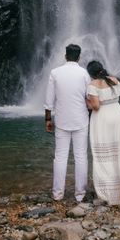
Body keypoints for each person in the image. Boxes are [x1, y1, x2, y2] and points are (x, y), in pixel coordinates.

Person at [85, 60, 120, 205]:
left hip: (102, 117)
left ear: (91, 74)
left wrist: (85, 101)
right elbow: (117, 97)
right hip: (116, 114)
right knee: (117, 150)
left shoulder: (92, 85)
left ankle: (107, 189)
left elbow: (95, 106)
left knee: (102, 152)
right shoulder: (114, 80)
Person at [44, 43, 91, 202]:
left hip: (62, 120)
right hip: (81, 120)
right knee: (81, 157)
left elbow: (49, 100)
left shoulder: (55, 72)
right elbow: (88, 98)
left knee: (60, 157)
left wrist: (48, 120)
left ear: (65, 56)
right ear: (79, 57)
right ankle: (80, 195)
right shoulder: (84, 74)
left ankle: (58, 194)